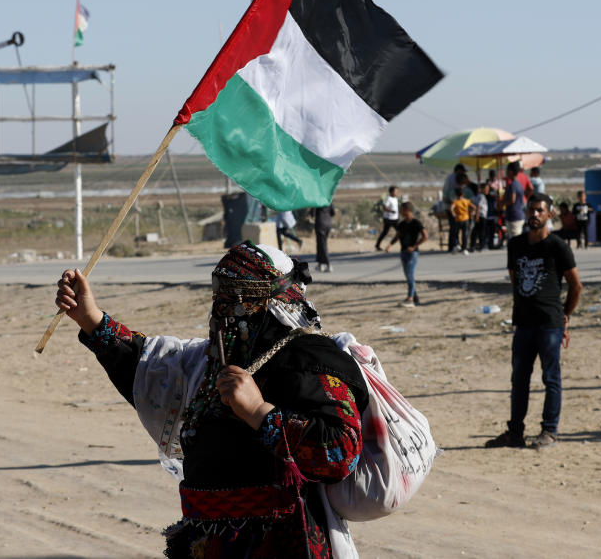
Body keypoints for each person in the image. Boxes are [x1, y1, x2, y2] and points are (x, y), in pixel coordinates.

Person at [55, 242, 368, 557]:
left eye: (239, 299)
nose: (224, 310)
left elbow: (341, 452)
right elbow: (149, 370)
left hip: (279, 544)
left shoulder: (307, 357)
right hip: (207, 541)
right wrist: (90, 318)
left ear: (274, 301)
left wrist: (261, 414)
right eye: (220, 297)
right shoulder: (209, 361)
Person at [486, 193, 582, 449]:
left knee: (551, 378)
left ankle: (549, 431)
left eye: (540, 210)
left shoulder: (558, 246)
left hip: (550, 324)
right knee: (519, 379)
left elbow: (576, 286)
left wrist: (565, 316)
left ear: (550, 214)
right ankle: (515, 433)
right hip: (524, 324)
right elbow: (515, 279)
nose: (534, 215)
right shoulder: (516, 244)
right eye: (531, 210)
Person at [384, 202, 428, 307]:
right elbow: (397, 236)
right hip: (403, 252)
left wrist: (414, 246)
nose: (400, 211)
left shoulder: (416, 223)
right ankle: (415, 298)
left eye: (402, 209)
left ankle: (410, 298)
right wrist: (390, 244)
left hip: (412, 253)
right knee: (408, 276)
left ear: (408, 210)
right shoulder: (402, 224)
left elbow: (425, 236)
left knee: (410, 275)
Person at [442, 164, 466, 252]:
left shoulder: (454, 178)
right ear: (458, 170)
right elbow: (446, 194)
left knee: (454, 228)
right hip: (451, 207)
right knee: (454, 227)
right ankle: (453, 245)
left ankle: (455, 245)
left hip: (455, 207)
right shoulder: (452, 179)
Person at [502, 163, 526, 240]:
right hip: (518, 215)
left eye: (507, 171)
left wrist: (502, 203)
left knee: (515, 241)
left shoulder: (513, 185)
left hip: (514, 216)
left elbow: (512, 200)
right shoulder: (518, 184)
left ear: (511, 172)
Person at [311, 203, 335, 272]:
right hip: (328, 223)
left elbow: (312, 213)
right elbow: (333, 212)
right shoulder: (328, 200)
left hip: (320, 223)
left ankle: (328, 264)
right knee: (321, 243)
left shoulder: (318, 200)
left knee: (322, 244)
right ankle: (320, 264)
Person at [374, 186, 400, 250]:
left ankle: (405, 245)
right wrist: (391, 211)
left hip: (395, 219)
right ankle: (377, 245)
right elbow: (384, 207)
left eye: (397, 191)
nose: (396, 192)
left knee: (400, 232)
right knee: (385, 232)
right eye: (395, 191)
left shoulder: (396, 199)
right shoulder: (388, 198)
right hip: (388, 219)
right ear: (391, 192)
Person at [450, 187, 473, 254]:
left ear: (456, 194)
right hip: (466, 219)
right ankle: (464, 248)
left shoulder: (456, 202)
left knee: (456, 233)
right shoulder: (466, 201)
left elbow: (451, 208)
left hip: (458, 219)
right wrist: (470, 213)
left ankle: (457, 245)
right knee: (465, 234)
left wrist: (454, 214)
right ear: (463, 194)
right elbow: (473, 207)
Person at [470, 183, 489, 251]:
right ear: (482, 189)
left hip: (480, 215)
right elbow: (478, 206)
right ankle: (481, 246)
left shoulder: (479, 196)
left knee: (476, 231)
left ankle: (473, 245)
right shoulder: (481, 196)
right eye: (486, 189)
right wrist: (477, 216)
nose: (487, 190)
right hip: (481, 216)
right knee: (481, 231)